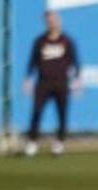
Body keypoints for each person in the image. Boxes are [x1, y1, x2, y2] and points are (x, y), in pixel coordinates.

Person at [23, 10, 81, 157]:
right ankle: (32, 142)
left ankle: (59, 142)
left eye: (55, 20)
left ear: (59, 21)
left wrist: (78, 81)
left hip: (61, 83)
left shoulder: (67, 41)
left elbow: (75, 62)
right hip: (43, 83)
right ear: (46, 23)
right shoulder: (40, 41)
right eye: (49, 21)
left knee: (62, 113)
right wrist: (28, 79)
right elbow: (32, 61)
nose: (52, 23)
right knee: (37, 112)